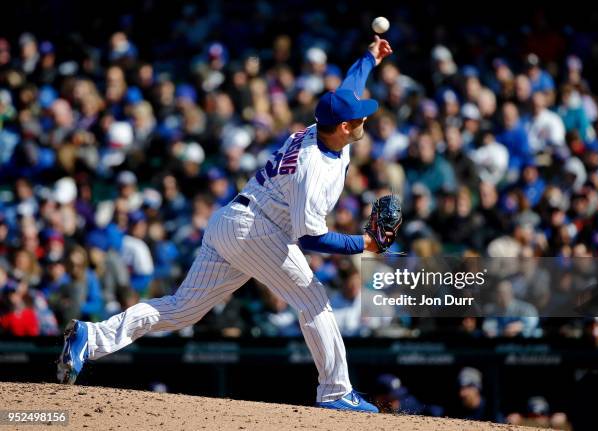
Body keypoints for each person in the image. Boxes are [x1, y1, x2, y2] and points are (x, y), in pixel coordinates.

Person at [57, 35, 394, 413]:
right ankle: (335, 393)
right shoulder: (312, 168)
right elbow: (310, 237)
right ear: (344, 127)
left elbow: (350, 87)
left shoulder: (329, 125)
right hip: (258, 230)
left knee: (182, 309)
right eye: (359, 116)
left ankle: (92, 336)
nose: (365, 116)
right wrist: (362, 245)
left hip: (231, 221)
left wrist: (369, 56)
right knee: (313, 300)